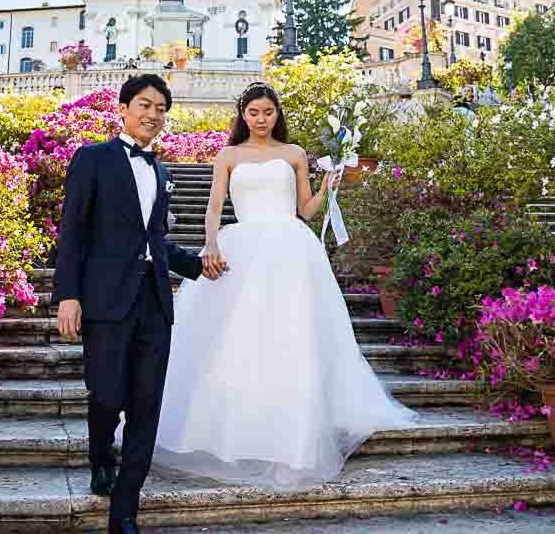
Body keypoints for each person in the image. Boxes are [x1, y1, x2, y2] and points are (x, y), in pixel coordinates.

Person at [153, 81, 418, 489]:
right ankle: (234, 432)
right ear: (243, 115)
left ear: (278, 114)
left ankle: (295, 442)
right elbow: (213, 206)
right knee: (238, 340)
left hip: (291, 250)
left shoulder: (294, 154)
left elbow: (306, 210)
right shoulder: (228, 155)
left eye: (268, 112)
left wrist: (330, 183)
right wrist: (210, 243)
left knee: (292, 338)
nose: (261, 119)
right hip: (241, 249)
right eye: (254, 112)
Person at [52, 74, 220, 534]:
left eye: (161, 108)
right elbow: (73, 231)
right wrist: (68, 295)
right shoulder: (93, 158)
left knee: (147, 404)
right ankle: (101, 456)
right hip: (105, 299)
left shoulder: (161, 170)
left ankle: (124, 510)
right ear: (123, 108)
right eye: (145, 105)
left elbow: (155, 240)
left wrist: (198, 263)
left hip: (154, 301)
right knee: (106, 395)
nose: (153, 115)